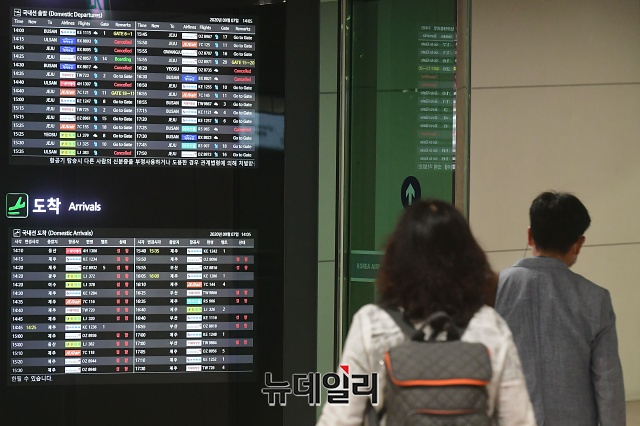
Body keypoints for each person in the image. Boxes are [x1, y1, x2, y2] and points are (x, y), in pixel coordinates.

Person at [317, 199, 535, 426]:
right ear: (469, 261)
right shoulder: (489, 326)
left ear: (396, 260)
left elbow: (339, 417)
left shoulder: (371, 324)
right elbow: (519, 420)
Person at [495, 191, 626, 426]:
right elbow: (608, 386)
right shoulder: (596, 299)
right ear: (578, 244)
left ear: (529, 235)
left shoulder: (492, 291)